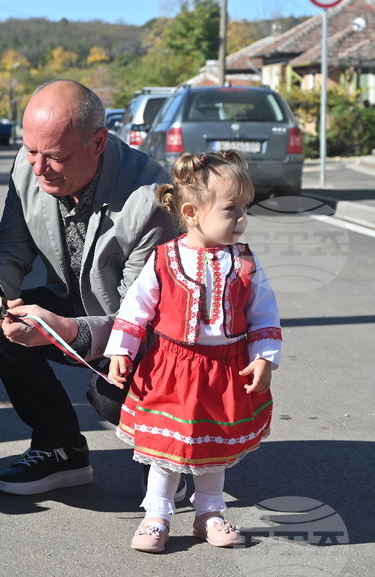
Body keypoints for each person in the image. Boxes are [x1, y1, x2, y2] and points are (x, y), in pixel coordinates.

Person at [0, 79, 178, 496]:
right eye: (31, 150)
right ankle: (60, 448)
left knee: (109, 394)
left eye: (55, 156)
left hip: (147, 338)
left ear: (98, 142)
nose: (38, 168)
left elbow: (142, 318)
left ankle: (167, 455)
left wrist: (63, 329)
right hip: (79, 310)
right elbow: (11, 246)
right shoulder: (27, 167)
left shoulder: (152, 199)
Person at [105, 151, 281, 552]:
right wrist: (121, 352)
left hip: (226, 371)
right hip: (172, 369)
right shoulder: (164, 259)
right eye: (231, 209)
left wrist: (264, 356)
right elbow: (136, 308)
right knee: (167, 447)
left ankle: (209, 512)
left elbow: (263, 312)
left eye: (245, 209)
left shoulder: (245, 261)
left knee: (212, 446)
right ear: (192, 213)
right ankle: (157, 515)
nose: (242, 219)